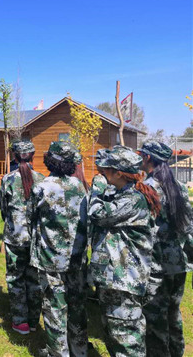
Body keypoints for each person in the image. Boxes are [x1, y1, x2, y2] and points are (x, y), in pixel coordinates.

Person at [89, 146, 160, 357]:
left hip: (125, 282)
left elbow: (97, 214)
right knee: (114, 335)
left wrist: (96, 190)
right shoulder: (125, 194)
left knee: (127, 342)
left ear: (118, 173)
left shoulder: (132, 200)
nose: (102, 173)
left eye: (106, 170)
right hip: (116, 280)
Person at [30, 141, 88, 357]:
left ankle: (57, 353)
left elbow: (30, 218)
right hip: (76, 257)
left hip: (50, 258)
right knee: (76, 306)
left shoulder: (41, 187)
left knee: (54, 307)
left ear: (50, 160)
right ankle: (79, 350)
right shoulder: (79, 185)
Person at [139, 141, 193, 357]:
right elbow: (188, 223)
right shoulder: (177, 185)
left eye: (141, 154)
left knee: (155, 318)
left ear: (148, 158)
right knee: (173, 313)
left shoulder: (148, 188)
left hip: (156, 265)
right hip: (178, 262)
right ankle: (177, 351)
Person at [0, 140, 44, 335]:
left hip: (14, 236)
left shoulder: (8, 180)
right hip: (36, 238)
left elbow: (2, 207)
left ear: (15, 157)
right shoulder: (42, 179)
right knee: (34, 280)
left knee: (16, 278)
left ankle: (20, 322)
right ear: (32, 156)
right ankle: (33, 321)